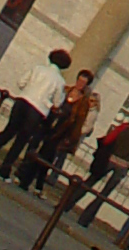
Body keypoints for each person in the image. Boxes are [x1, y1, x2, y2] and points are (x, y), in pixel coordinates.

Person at [0, 48, 72, 181]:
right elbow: (57, 102)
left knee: (8, 131)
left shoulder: (38, 68)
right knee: (21, 140)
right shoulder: (59, 81)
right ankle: (3, 170)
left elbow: (21, 83)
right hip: (37, 110)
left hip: (22, 101)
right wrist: (47, 104)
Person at [70, 104, 129, 227]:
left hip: (109, 159)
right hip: (123, 165)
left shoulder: (123, 127)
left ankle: (68, 204)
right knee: (104, 194)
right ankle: (85, 219)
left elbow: (107, 140)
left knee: (90, 182)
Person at [20, 65, 95, 193]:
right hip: (48, 124)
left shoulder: (83, 103)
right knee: (33, 148)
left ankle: (35, 184)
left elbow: (78, 123)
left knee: (46, 157)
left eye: (83, 83)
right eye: (79, 80)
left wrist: (71, 140)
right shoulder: (65, 90)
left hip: (61, 132)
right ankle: (23, 177)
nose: (79, 84)